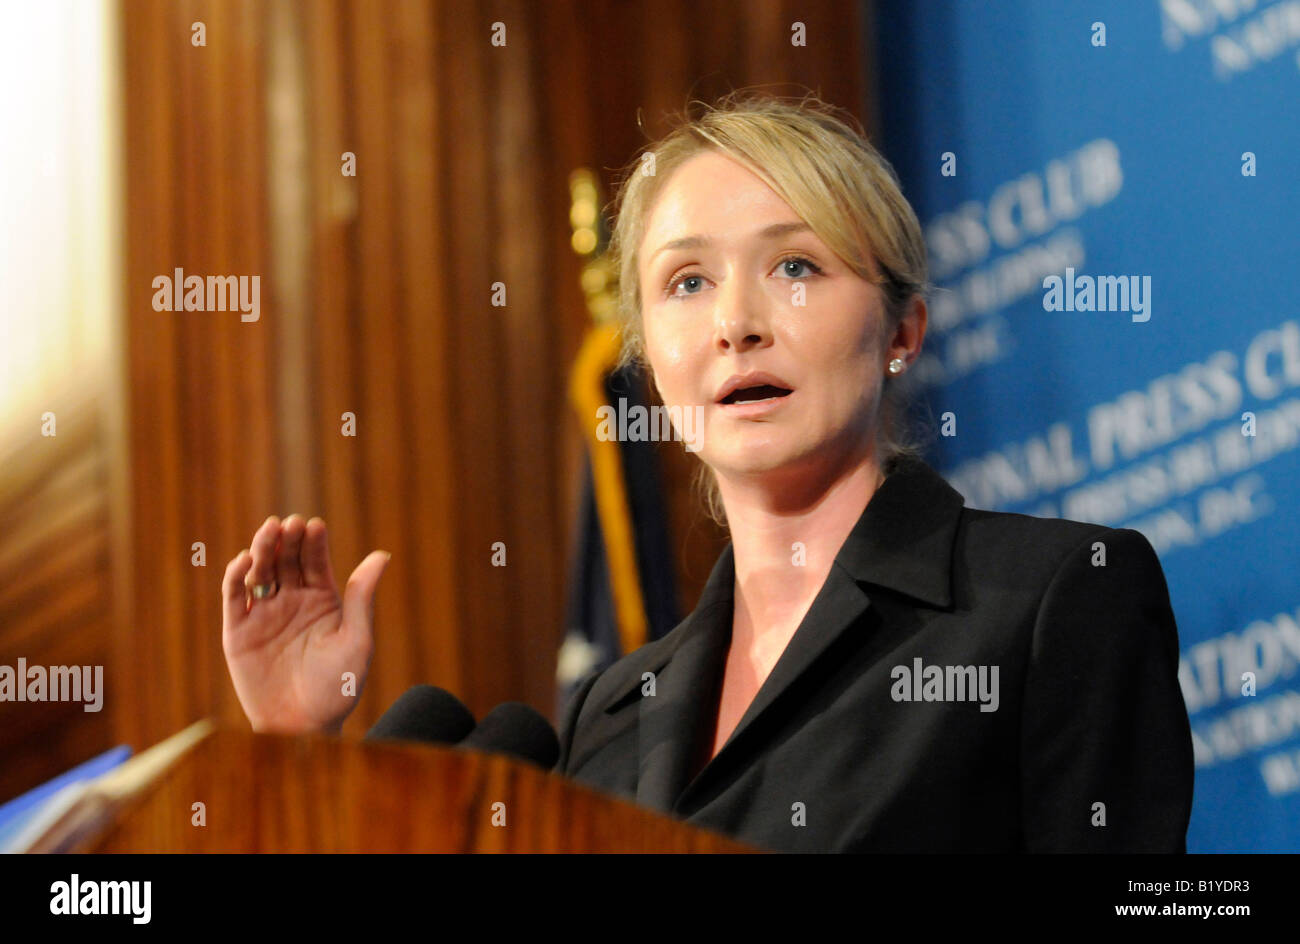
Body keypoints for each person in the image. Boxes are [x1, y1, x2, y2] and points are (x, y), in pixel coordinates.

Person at [221, 92, 1194, 853]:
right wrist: (300, 760)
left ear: (902, 328)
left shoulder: (1053, 603)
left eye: (795, 267)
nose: (735, 321)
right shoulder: (610, 710)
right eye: (687, 281)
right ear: (650, 359)